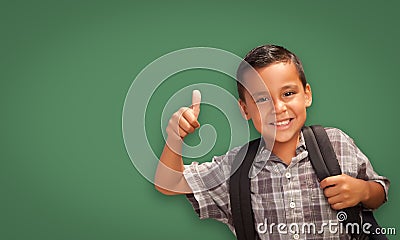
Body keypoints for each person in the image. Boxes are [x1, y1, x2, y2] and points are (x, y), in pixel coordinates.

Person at [154, 44, 390, 239]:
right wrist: (176, 138)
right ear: (245, 109)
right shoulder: (235, 167)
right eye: (261, 99)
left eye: (288, 94)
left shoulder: (335, 143)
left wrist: (364, 190)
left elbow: (379, 190)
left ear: (306, 94)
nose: (277, 108)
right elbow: (169, 182)